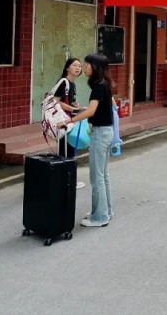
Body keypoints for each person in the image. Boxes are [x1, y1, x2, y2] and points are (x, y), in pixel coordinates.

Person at [66, 54, 115, 227]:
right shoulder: (104, 84)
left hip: (100, 134)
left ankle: (99, 217)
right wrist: (85, 109)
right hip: (107, 132)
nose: (84, 67)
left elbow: (92, 112)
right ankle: (105, 211)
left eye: (86, 64)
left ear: (95, 67)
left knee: (96, 177)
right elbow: (106, 106)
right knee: (103, 175)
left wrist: (70, 120)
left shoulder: (98, 87)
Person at [54, 58, 86, 190]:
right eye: (74, 65)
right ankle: (66, 182)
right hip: (63, 122)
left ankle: (67, 180)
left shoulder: (72, 84)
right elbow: (56, 101)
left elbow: (67, 101)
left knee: (70, 149)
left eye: (79, 66)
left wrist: (75, 106)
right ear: (67, 68)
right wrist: (73, 109)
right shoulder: (63, 82)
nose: (78, 68)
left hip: (69, 122)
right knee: (65, 151)